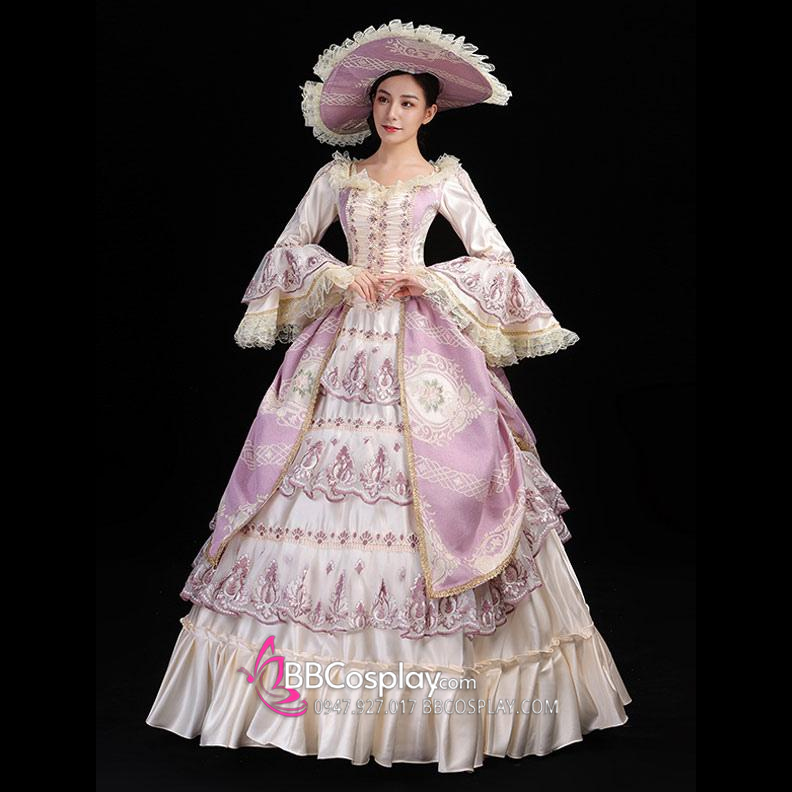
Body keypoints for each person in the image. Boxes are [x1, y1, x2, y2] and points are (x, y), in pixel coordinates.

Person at [145, 20, 631, 773]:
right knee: (308, 488)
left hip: (423, 351)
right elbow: (288, 249)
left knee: (440, 483)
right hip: (343, 350)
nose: (392, 113)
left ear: (430, 112)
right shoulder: (336, 178)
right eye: (383, 100)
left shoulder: (445, 179)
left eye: (407, 102)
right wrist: (338, 274)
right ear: (370, 107)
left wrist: (429, 278)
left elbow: (495, 258)